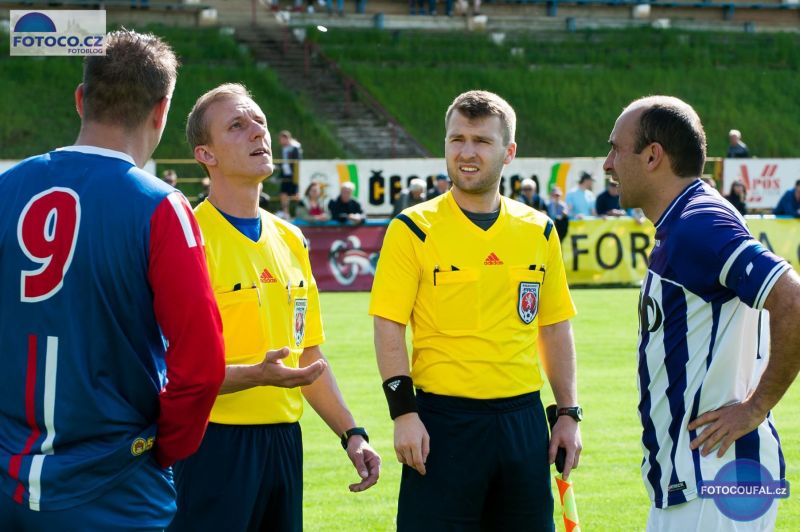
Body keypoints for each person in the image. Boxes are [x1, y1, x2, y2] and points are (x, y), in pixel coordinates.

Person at [0, 30, 225, 529]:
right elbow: (203, 363)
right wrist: (163, 450)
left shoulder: (5, 189)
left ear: (81, 99)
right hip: (116, 486)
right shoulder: (161, 206)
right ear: (162, 111)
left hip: (9, 478)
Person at [170, 83, 380, 532]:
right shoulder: (188, 237)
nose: (257, 133)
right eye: (237, 125)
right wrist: (255, 376)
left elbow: (308, 357)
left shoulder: (290, 239)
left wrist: (352, 433)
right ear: (205, 155)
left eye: (260, 122)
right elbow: (173, 372)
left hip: (284, 444)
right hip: (211, 446)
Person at [370, 90, 582, 531]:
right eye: (457, 139)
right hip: (442, 424)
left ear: (509, 152)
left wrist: (568, 413)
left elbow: (555, 326)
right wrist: (403, 414)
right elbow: (388, 325)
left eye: (482, 141)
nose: (467, 153)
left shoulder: (539, 230)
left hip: (522, 424)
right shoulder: (412, 228)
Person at [604, 95, 800, 531]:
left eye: (616, 149)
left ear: (653, 156)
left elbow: (792, 301)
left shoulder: (698, 223)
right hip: (697, 480)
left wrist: (755, 407)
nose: (607, 164)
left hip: (715, 480)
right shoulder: (685, 219)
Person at [277, 130, 302, 220]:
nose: (280, 141)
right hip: (286, 175)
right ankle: (286, 213)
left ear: (286, 138)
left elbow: (296, 161)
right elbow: (284, 162)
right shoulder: (284, 148)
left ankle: (300, 212)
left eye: (281, 139)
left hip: (294, 175)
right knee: (283, 194)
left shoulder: (295, 147)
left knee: (296, 195)